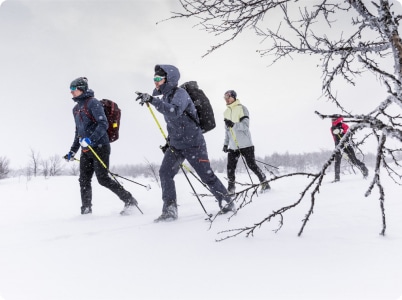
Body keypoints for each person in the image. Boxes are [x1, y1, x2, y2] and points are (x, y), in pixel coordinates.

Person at [135, 64, 235, 222]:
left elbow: (174, 112)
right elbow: (173, 124)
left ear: (169, 79)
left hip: (194, 144)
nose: (155, 82)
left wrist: (153, 100)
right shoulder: (166, 96)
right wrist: (169, 141)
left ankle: (227, 203)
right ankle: (169, 210)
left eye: (158, 78)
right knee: (165, 173)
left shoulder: (180, 94)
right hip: (176, 145)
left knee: (206, 176)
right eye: (154, 78)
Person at [64, 77, 138, 215]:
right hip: (86, 149)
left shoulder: (93, 103)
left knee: (103, 179)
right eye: (71, 89)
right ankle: (86, 210)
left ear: (82, 89)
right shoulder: (75, 109)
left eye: (74, 89)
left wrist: (91, 140)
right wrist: (72, 151)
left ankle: (130, 200)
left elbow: (103, 124)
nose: (71, 92)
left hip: (100, 147)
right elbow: (78, 132)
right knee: (84, 180)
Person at [222, 90, 270, 194]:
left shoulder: (242, 108)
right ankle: (231, 189)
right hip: (233, 146)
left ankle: (265, 183)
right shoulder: (225, 112)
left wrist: (234, 124)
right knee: (230, 168)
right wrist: (226, 144)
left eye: (228, 96)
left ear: (234, 97)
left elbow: (245, 126)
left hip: (246, 145)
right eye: (225, 97)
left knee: (252, 165)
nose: (226, 98)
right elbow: (227, 130)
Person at [331, 116, 369, 182]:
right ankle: (337, 178)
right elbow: (334, 137)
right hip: (338, 146)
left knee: (353, 160)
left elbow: (348, 131)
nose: (332, 120)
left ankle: (364, 169)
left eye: (334, 119)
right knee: (337, 161)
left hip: (346, 145)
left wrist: (341, 131)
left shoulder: (343, 125)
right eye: (332, 119)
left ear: (337, 119)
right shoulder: (332, 128)